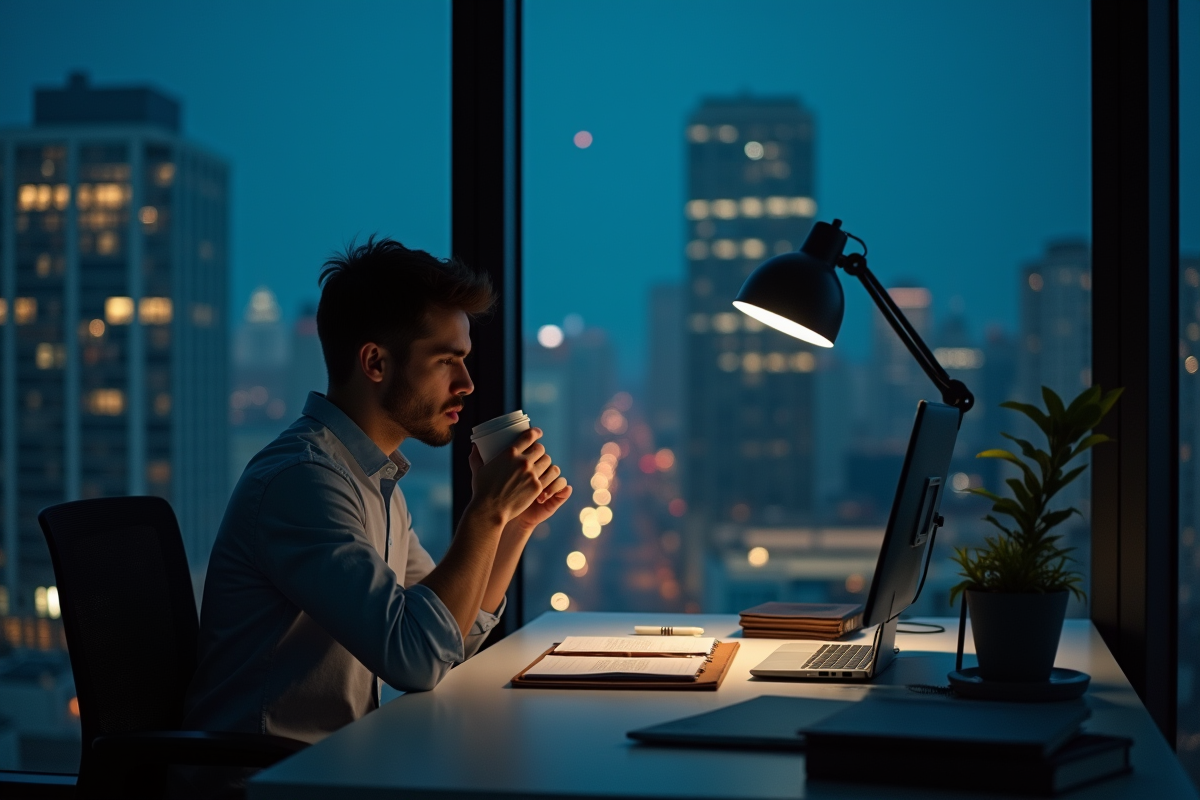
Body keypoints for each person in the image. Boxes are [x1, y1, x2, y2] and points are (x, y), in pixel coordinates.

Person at [183, 237, 572, 750]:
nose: (467, 383)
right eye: (445, 361)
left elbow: (447, 637)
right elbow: (417, 658)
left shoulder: (374, 480)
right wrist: (486, 510)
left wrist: (513, 524)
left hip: (335, 765)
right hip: (265, 779)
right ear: (375, 363)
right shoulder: (304, 482)